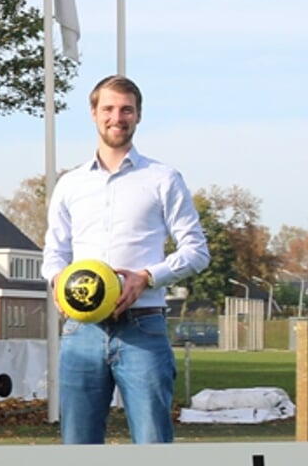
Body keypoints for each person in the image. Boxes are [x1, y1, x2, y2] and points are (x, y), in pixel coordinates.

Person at [43, 76, 209, 444]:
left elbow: (197, 251)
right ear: (93, 113)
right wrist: (57, 281)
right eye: (108, 109)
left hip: (144, 329)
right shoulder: (69, 184)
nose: (117, 117)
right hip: (80, 332)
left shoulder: (163, 178)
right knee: (78, 449)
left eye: (126, 110)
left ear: (138, 116)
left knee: (152, 450)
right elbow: (55, 250)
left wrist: (147, 277)